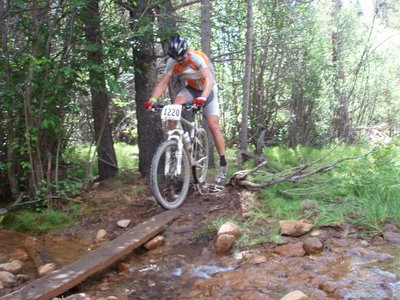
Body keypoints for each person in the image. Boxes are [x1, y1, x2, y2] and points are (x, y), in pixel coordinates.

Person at [144, 34, 227, 183]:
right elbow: (163, 83)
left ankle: (223, 164)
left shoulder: (197, 58)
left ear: (187, 51)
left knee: (213, 125)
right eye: (178, 60)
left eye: (182, 58)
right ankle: (176, 147)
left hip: (208, 89)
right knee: (174, 108)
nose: (181, 61)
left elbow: (208, 79)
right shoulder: (172, 62)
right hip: (192, 89)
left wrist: (202, 97)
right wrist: (152, 100)